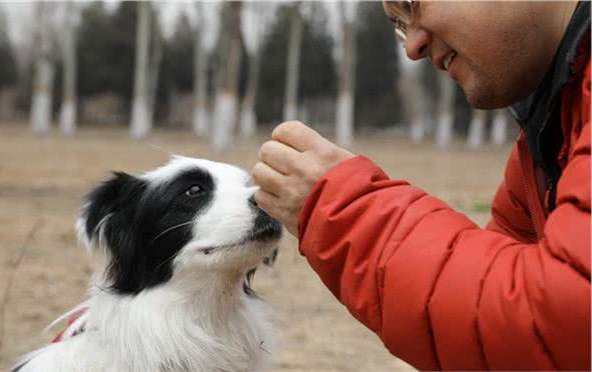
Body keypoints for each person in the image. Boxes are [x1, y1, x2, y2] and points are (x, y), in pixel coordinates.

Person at [251, 1, 590, 370]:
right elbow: (489, 339)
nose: (412, 47)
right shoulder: (552, 132)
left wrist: (343, 211)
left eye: (411, 4)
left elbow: (559, 321)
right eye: (399, 25)